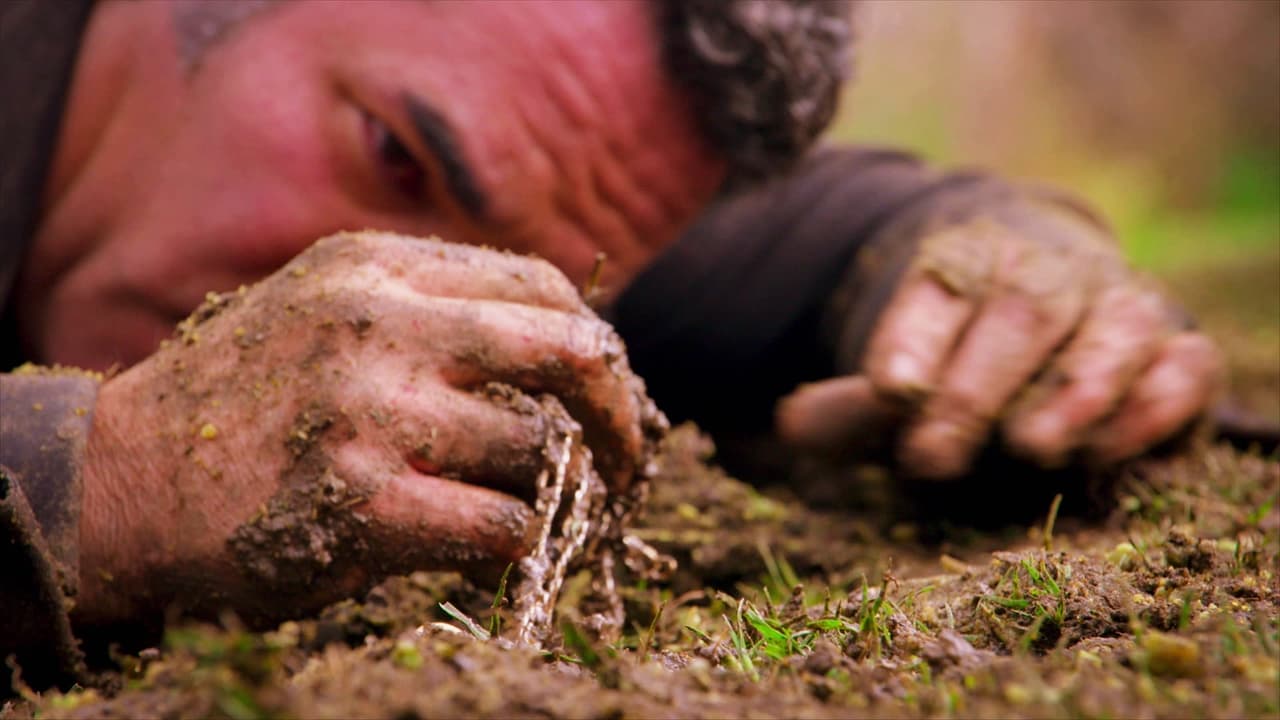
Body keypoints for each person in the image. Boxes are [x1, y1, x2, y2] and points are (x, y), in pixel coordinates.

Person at [0, 0, 1224, 689]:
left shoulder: (550, 163)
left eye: (526, 285)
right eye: (396, 156)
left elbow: (864, 232)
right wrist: (105, 478)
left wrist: (1008, 280)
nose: (388, 307)